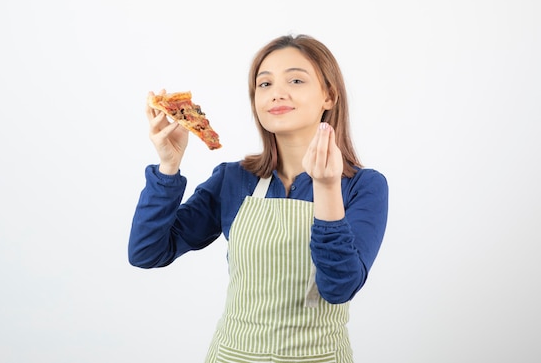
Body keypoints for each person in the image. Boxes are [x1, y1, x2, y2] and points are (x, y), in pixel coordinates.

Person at [128, 34, 389, 363]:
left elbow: (338, 288)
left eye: (295, 79)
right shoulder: (233, 179)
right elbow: (147, 252)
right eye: (264, 84)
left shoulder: (363, 187)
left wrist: (326, 188)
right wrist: (169, 166)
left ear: (329, 95)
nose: (276, 92)